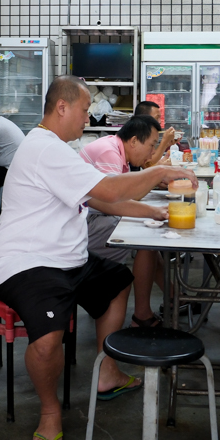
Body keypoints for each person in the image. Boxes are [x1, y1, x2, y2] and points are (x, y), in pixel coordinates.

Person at [0, 76, 195, 440]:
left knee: (118, 281)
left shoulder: (60, 148)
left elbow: (105, 202)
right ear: (62, 108)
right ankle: (50, 413)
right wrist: (161, 173)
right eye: (84, 110)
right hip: (27, 262)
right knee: (48, 341)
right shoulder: (44, 149)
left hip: (67, 258)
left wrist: (155, 211)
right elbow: (112, 191)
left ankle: (107, 372)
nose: (88, 117)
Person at [79, 115, 172, 327]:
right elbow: (117, 200)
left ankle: (175, 297)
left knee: (149, 244)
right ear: (133, 141)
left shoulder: (118, 151)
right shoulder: (108, 152)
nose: (151, 153)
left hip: (96, 216)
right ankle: (142, 316)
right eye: (151, 146)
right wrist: (154, 209)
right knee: (145, 238)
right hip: (84, 223)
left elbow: (125, 196)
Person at [133, 100, 180, 169]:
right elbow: (147, 164)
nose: (160, 122)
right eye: (156, 118)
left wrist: (167, 143)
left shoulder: (146, 136)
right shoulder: (135, 137)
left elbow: (150, 162)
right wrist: (164, 141)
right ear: (144, 119)